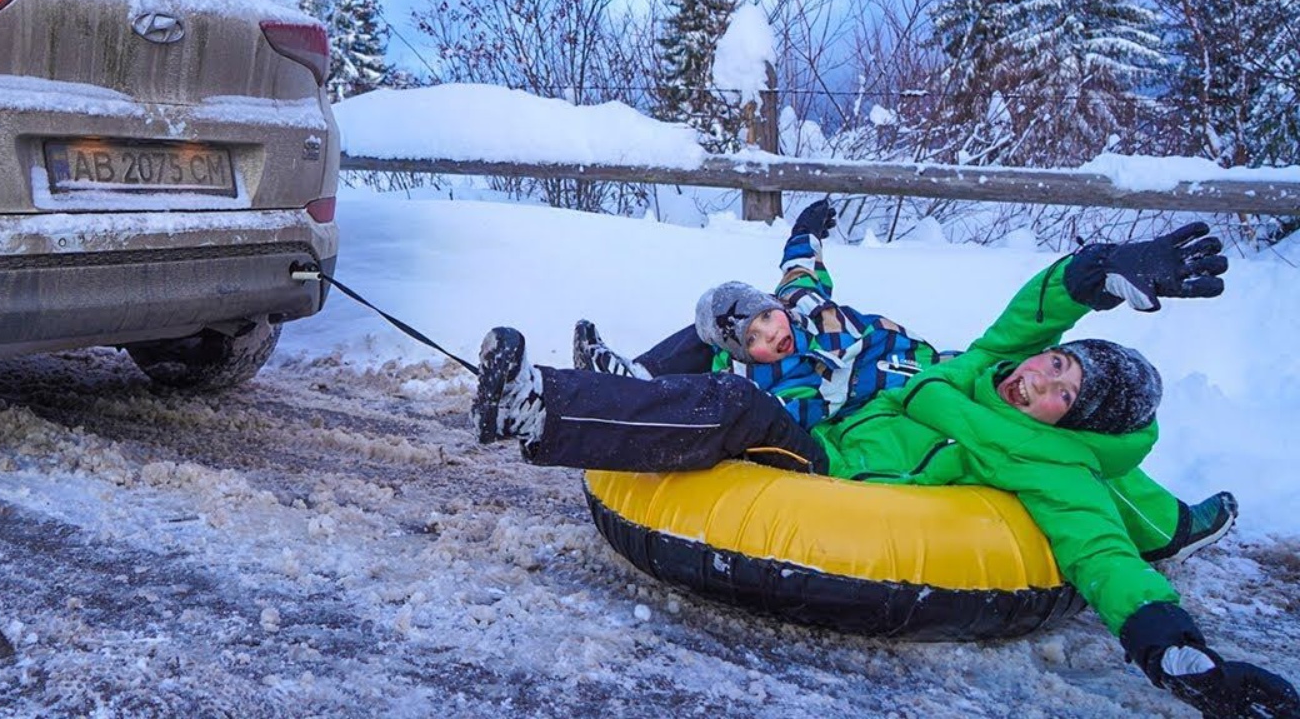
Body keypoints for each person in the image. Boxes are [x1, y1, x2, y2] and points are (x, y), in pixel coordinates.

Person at [471, 222, 1300, 718]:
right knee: (735, 333)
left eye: (1060, 391)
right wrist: (1096, 273)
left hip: (838, 469)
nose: (1035, 378)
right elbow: (1032, 309)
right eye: (1055, 363)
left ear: (1072, 423)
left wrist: (1179, 655)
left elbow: (1102, 553)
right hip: (840, 417)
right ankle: (615, 387)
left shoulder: (1052, 465)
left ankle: (539, 409)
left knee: (733, 405)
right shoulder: (986, 366)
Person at [575, 199, 1234, 562]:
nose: (771, 336)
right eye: (754, 343)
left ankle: (1168, 523)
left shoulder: (798, 307)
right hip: (888, 415)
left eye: (768, 323)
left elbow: (800, 276)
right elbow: (759, 421)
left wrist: (804, 234)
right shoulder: (773, 384)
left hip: (932, 365)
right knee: (704, 330)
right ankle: (633, 383)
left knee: (1067, 417)